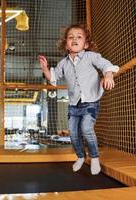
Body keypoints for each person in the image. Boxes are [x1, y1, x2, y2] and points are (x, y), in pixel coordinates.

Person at [38, 24, 119, 175]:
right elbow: (53, 78)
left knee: (86, 129)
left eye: (79, 37)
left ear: (86, 44)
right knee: (73, 133)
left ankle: (94, 158)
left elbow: (106, 65)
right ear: (66, 44)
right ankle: (81, 157)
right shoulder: (64, 63)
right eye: (71, 37)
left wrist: (108, 75)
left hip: (90, 101)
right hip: (74, 104)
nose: (74, 39)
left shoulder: (91, 56)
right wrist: (44, 68)